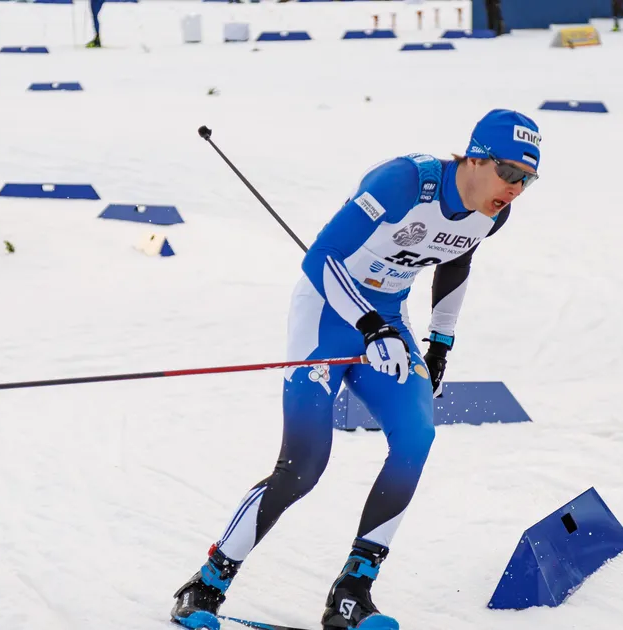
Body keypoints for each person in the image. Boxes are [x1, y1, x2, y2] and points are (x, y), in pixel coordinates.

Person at [168, 109, 542, 630]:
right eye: (510, 173)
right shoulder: (403, 182)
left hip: (386, 320)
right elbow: (320, 258)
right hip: (327, 314)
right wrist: (369, 327)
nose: (516, 189)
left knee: (417, 437)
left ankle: (352, 592)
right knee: (302, 467)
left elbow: (457, 261)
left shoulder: (493, 212)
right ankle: (207, 584)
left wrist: (439, 344)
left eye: (528, 180)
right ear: (476, 157)